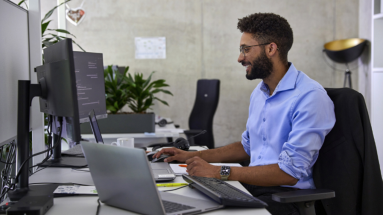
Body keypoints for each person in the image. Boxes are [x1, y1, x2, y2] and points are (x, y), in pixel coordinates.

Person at [153, 12, 336, 215]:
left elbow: (289, 173)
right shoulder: (260, 92)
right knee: (182, 202)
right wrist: (191, 155)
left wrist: (218, 172)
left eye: (245, 49)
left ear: (271, 49)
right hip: (252, 187)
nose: (240, 58)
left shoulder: (310, 97)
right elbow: (247, 147)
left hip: (285, 198)